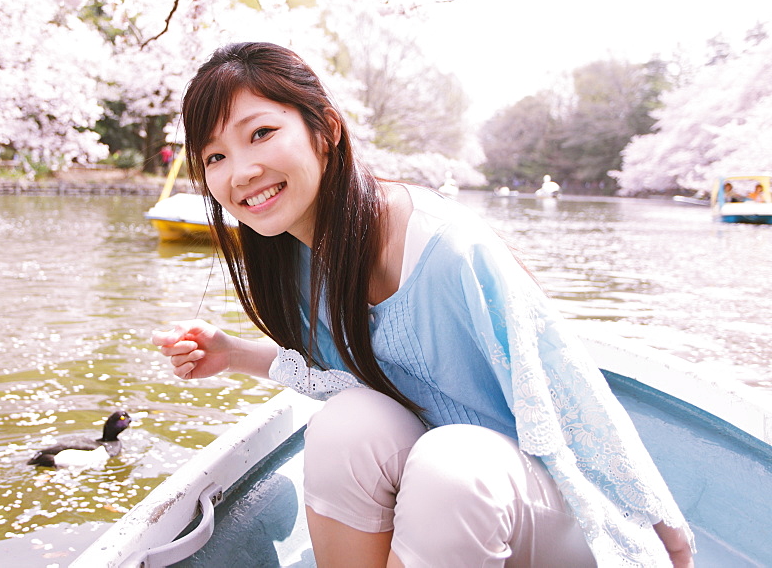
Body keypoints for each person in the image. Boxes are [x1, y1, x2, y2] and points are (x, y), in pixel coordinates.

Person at [153, 42, 694, 567]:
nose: (241, 172)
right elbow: (356, 378)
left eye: (262, 133)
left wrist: (662, 530)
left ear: (325, 130)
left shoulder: (450, 249)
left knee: (451, 464)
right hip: (443, 515)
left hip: (541, 511)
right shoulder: (292, 259)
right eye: (216, 156)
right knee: (346, 425)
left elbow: (570, 395)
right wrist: (234, 354)